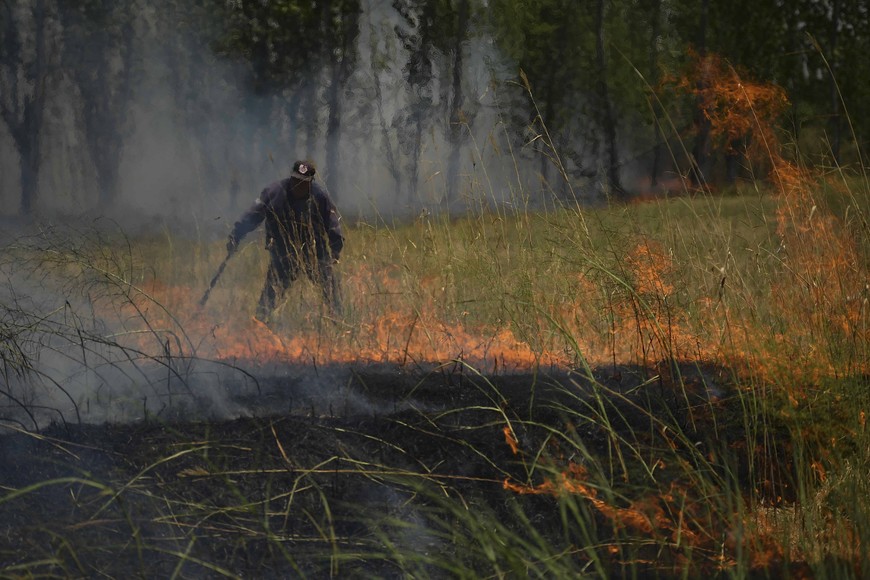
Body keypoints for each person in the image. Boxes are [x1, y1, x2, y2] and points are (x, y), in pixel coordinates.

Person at [227, 159, 344, 321]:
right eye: (296, 180)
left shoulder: (320, 197)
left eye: (303, 182)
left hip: (315, 252)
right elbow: (253, 215)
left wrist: (335, 249)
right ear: (291, 177)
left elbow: (332, 225)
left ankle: (339, 323)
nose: (299, 185)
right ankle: (259, 326)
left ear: (310, 182)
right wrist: (236, 235)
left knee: (331, 291)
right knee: (270, 294)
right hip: (283, 253)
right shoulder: (274, 192)